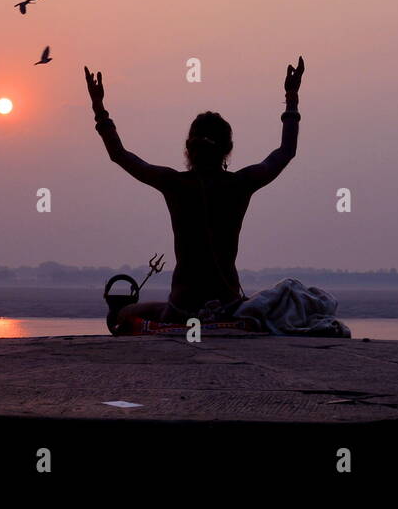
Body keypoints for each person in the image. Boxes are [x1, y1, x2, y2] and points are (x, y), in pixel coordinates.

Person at [84, 58, 305, 333]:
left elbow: (119, 155)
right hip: (228, 305)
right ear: (228, 149)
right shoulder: (240, 183)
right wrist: (291, 100)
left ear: (189, 148)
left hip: (182, 309)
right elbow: (286, 152)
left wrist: (99, 108)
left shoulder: (174, 183)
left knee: (123, 314)